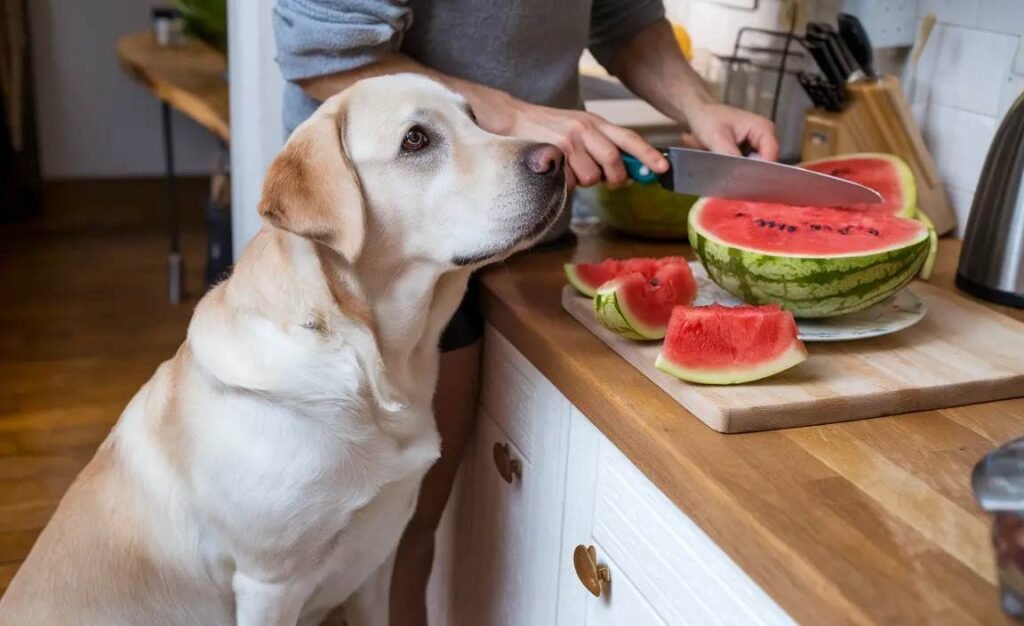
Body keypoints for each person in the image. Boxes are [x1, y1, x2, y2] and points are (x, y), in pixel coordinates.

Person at [273, 2, 779, 623]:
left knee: (409, 539)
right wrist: (513, 117)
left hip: (521, 226)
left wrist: (703, 107)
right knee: (334, 565)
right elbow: (323, 51)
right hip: (382, 264)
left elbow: (623, 16)